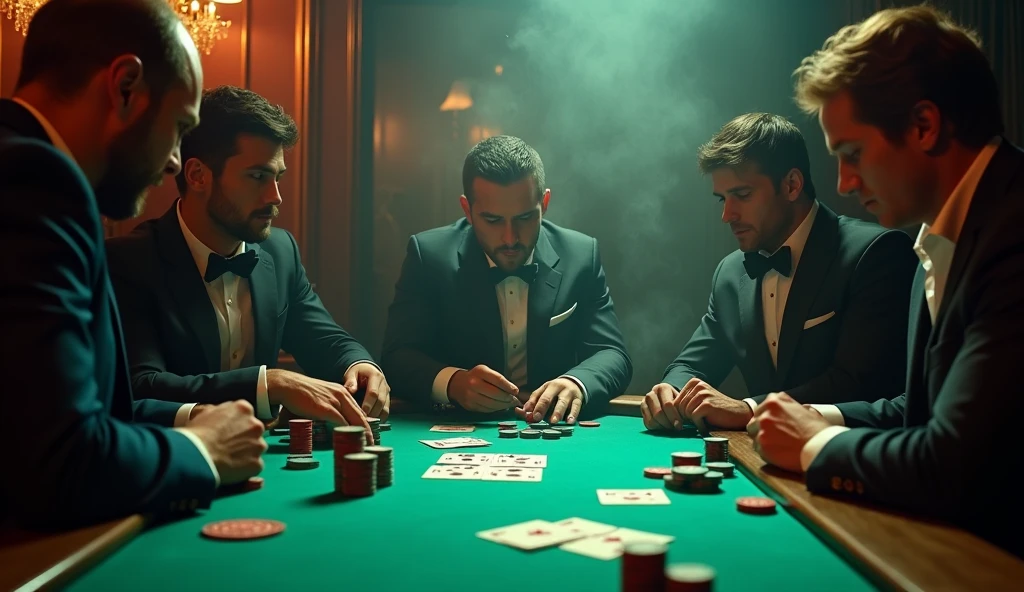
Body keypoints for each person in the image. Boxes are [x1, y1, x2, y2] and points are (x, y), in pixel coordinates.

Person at [751, 5, 1024, 557]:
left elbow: (955, 466)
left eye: (852, 155)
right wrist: (814, 415)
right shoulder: (945, 229)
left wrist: (816, 445)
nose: (844, 183)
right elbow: (917, 409)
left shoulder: (1015, 229)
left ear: (924, 126)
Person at [0, 0, 265, 528]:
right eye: (178, 125)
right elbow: (60, 464)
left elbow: (60, 413)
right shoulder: (33, 179)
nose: (172, 161)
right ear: (125, 87)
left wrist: (197, 424)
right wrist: (201, 452)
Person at [107, 86, 388, 436]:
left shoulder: (281, 251)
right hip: (174, 463)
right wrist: (267, 384)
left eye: (278, 177)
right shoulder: (128, 261)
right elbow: (140, 385)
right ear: (197, 176)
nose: (276, 197)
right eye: (258, 177)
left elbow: (324, 339)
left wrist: (358, 363)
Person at [641, 113, 916, 432]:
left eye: (742, 196)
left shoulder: (876, 253)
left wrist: (749, 409)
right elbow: (692, 364)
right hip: (763, 463)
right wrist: (670, 392)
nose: (727, 215)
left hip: (855, 463)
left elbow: (856, 382)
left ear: (792, 185)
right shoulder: (729, 273)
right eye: (722, 199)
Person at [381, 135, 632, 423]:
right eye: (493, 220)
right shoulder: (429, 256)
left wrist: (577, 382)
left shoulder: (581, 254)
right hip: (458, 423)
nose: (510, 238)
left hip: (550, 432)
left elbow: (613, 354)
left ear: (545, 203)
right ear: (467, 210)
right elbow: (396, 356)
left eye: (525, 218)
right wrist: (454, 383)